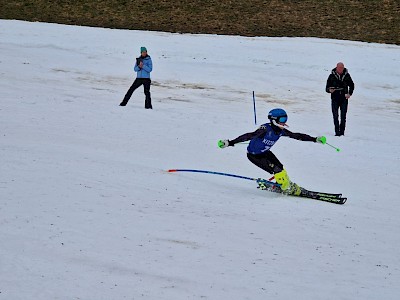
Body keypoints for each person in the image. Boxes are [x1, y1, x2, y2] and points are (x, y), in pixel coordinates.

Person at [218, 108, 326, 195]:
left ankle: (283, 183)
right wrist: (230, 142)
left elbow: (296, 135)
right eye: (282, 120)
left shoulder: (280, 131)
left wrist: (314, 139)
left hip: (265, 153)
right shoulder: (265, 129)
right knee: (277, 170)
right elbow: (249, 136)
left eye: (285, 119)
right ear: (274, 119)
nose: (284, 122)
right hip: (254, 156)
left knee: (280, 167)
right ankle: (285, 187)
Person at [325, 62, 354, 136]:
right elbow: (327, 88)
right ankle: (337, 133)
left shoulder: (347, 75)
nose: (341, 69)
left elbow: (352, 85)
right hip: (335, 98)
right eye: (340, 68)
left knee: (343, 116)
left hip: (344, 98)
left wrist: (349, 93)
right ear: (336, 68)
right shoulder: (331, 76)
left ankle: (342, 133)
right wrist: (330, 90)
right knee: (335, 116)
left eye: (342, 68)